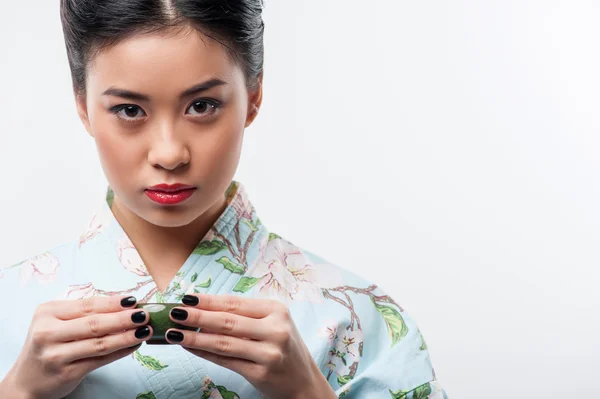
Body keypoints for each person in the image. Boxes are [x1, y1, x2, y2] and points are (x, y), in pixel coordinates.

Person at [0, 1, 448, 398]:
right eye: (129, 110)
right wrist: (18, 391)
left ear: (252, 97)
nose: (170, 153)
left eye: (202, 106)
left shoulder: (356, 316)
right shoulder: (9, 307)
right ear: (83, 107)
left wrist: (306, 392)